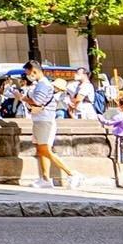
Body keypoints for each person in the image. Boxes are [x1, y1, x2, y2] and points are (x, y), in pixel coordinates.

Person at [23, 60, 83, 189]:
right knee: (41, 150)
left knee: (44, 149)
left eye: (27, 72)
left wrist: (21, 97)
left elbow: (37, 102)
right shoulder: (41, 84)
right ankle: (45, 178)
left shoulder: (43, 85)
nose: (27, 75)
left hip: (45, 120)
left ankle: (71, 173)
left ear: (34, 71)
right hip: (40, 120)